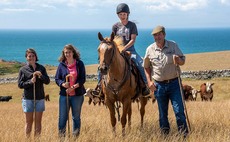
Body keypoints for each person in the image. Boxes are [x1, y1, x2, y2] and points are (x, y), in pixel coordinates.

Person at [92, 3, 150, 97]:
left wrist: (124, 48)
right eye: (120, 14)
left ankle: (144, 86)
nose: (122, 16)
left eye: (124, 14)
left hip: (130, 50)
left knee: (140, 64)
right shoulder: (115, 26)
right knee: (101, 65)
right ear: (118, 15)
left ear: (128, 14)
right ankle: (99, 87)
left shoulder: (132, 25)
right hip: (117, 51)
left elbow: (133, 40)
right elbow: (113, 40)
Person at [143, 25, 189, 137]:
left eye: (159, 34)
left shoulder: (173, 45)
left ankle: (184, 137)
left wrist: (178, 60)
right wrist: (149, 82)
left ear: (164, 34)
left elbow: (183, 60)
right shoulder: (150, 49)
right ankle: (165, 137)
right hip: (159, 86)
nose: (157, 37)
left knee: (179, 112)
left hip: (174, 84)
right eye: (155, 35)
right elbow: (146, 67)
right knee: (163, 114)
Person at [55, 44, 86, 139]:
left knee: (76, 118)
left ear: (73, 52)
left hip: (77, 95)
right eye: (65, 53)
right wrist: (63, 84)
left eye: (69, 52)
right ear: (63, 54)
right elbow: (57, 78)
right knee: (62, 118)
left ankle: (75, 138)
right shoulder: (61, 65)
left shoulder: (79, 64)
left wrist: (74, 87)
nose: (67, 54)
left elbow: (82, 79)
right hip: (64, 96)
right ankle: (62, 138)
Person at [18, 48, 50, 138]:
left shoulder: (41, 68)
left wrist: (41, 76)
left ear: (36, 57)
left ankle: (37, 139)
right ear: (26, 58)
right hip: (28, 99)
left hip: (39, 98)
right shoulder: (23, 69)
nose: (31, 57)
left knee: (38, 121)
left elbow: (47, 81)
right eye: (29, 56)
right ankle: (27, 139)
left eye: (33, 56)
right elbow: (20, 85)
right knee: (29, 122)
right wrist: (30, 82)